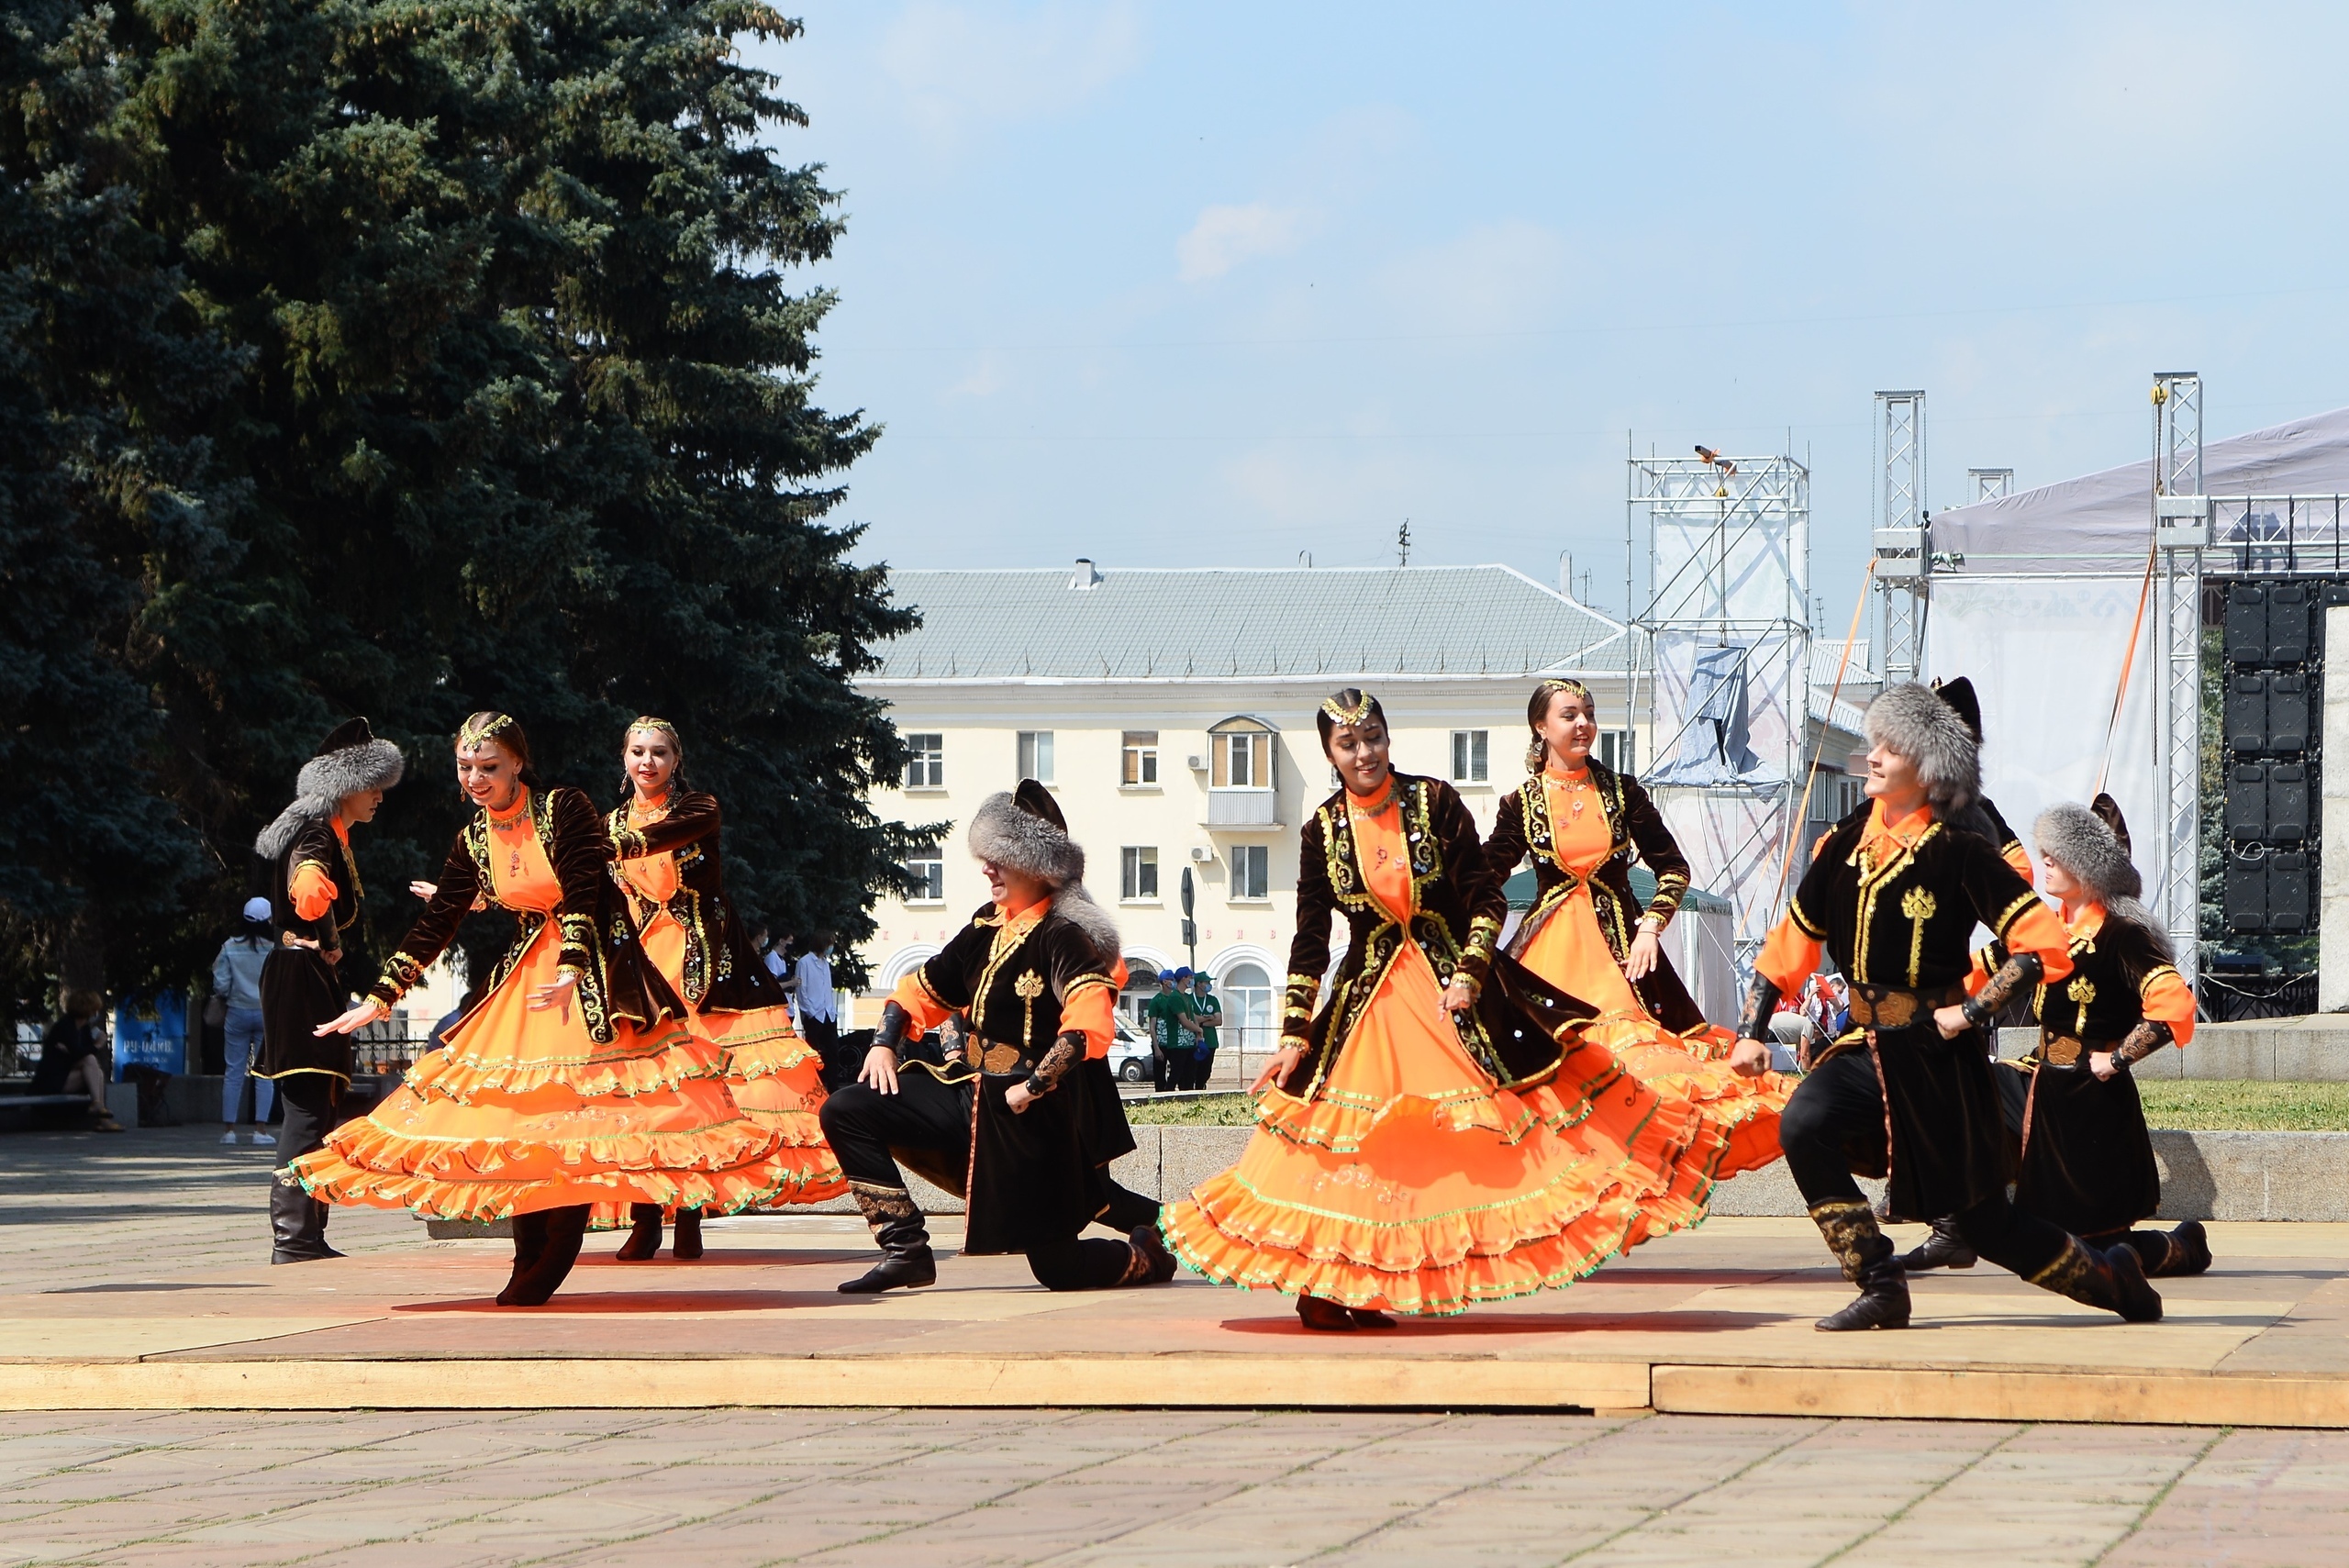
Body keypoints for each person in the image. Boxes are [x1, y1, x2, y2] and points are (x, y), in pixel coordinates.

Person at [1162, 688, 1732, 1331]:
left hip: (1447, 996)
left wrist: (1470, 972)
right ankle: (1327, 1286)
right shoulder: (1321, 828)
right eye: (1349, 743)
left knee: (1465, 1143)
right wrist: (1295, 1031)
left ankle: (1389, 1280)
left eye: (1373, 735)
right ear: (1330, 751)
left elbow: (1486, 899)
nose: (1365, 752)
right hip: (1367, 1004)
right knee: (1357, 1152)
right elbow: (1310, 938)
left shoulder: (1434, 801)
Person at [289, 712, 801, 1307]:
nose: (477, 779)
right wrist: (382, 995)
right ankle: (526, 1252)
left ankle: (559, 1249)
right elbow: (438, 920)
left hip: (597, 975)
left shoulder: (566, 807)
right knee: (519, 1120)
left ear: (517, 764)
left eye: (489, 767)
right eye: (466, 767)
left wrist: (571, 966)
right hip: (528, 978)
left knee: (579, 1119)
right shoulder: (473, 837)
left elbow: (584, 888)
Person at [1738, 684, 2164, 1331]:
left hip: (1936, 1060)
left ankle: (2118, 1282)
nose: (1873, 756)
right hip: (1864, 1045)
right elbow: (1790, 941)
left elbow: (2040, 944)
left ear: (1931, 766)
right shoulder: (1846, 840)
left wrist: (1973, 1011)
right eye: (1875, 741)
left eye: (1891, 746)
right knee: (1802, 1123)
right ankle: (1880, 1280)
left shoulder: (1962, 849)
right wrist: (1750, 1029)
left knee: (1986, 1224)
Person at [818, 781, 1171, 1296]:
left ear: (1035, 865)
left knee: (1060, 1268)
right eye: (985, 858)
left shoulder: (1063, 934)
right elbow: (924, 987)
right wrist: (885, 1041)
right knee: (847, 1108)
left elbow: (1087, 1023)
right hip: (972, 1092)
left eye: (997, 859)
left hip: (1032, 1115)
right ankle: (906, 1249)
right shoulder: (986, 926)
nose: (986, 870)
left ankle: (1150, 1254)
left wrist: (1033, 1086)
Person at [1486, 678, 1790, 1177]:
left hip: (1623, 955)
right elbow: (1485, 877)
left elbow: (1674, 868)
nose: (1583, 723)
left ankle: (1633, 1174)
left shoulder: (1622, 791)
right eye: (1569, 715)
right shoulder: (1521, 803)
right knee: (1554, 1070)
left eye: (1588, 712)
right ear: (1541, 727)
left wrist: (1651, 926)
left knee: (1641, 1067)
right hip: (1549, 957)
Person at [1902, 795, 2210, 1280]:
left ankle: (2182, 1247)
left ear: (2087, 870)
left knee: (2099, 1248)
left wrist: (2117, 1059)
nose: (2044, 862)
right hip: (2040, 1081)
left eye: (2056, 856)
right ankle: (1953, 1226)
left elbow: (2174, 1005)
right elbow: (1978, 973)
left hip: (2090, 1097)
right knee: (1955, 1093)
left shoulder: (2122, 936)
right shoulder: (2047, 930)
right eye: (2043, 853)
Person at [600, 717, 844, 1260]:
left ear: (675, 759)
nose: (647, 762)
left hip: (699, 967)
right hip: (639, 968)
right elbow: (574, 882)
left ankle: (689, 1215)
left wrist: (592, 842)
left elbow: (652, 841)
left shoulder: (697, 809)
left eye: (658, 752)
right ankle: (646, 1218)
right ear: (623, 758)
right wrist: (481, 892)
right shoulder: (610, 820)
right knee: (644, 1097)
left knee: (695, 1096)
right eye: (637, 752)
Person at [252, 717, 404, 1261]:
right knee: (308, 1110)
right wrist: (315, 915)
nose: (380, 797)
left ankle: (306, 1235)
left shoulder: (323, 829)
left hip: (305, 973)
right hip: (299, 977)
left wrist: (328, 938)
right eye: (373, 785)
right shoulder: (317, 833)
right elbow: (309, 886)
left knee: (317, 1107)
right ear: (345, 786)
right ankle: (294, 1239)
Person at [211, 897, 276, 1147]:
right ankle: (261, 1130)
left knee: (233, 1072)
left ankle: (229, 1130)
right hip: (266, 1014)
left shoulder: (230, 946)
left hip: (236, 1013)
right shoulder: (274, 948)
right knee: (265, 1073)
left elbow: (221, 984)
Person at [32, 991, 121, 1131]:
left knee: (96, 1070)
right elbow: (78, 1053)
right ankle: (99, 1111)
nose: (96, 1013)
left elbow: (78, 1053)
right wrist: (97, 1045)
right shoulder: (65, 1026)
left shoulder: (83, 1028)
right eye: (95, 1009)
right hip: (51, 1081)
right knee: (90, 1060)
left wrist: (78, 1051)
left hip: (66, 1073)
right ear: (87, 1010)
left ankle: (99, 1110)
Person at [792, 934, 840, 1069]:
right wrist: (810, 1011)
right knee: (813, 1051)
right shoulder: (804, 962)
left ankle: (832, 1085)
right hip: (814, 1014)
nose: (831, 948)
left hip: (828, 1013)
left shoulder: (825, 964)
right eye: (829, 944)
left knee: (833, 1051)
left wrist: (832, 1011)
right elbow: (802, 990)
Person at [1145, 970, 1191, 1092]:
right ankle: (1161, 1095)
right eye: (1171, 980)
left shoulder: (1176, 997)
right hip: (1161, 1044)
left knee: (1178, 1071)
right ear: (1164, 982)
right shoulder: (1157, 1001)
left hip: (1174, 1042)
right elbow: (1152, 1026)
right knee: (1160, 1074)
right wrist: (1156, 1048)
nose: (1174, 982)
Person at [1186, 972, 1222, 1090]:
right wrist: (1208, 1017)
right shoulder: (1189, 999)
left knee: (1206, 1071)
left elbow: (1219, 1020)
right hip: (1193, 1041)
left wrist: (1201, 1022)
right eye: (1206, 982)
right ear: (1199, 984)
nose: (1209, 984)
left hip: (1210, 1041)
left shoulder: (1213, 1000)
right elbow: (1190, 1018)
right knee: (1192, 1070)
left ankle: (1201, 1089)